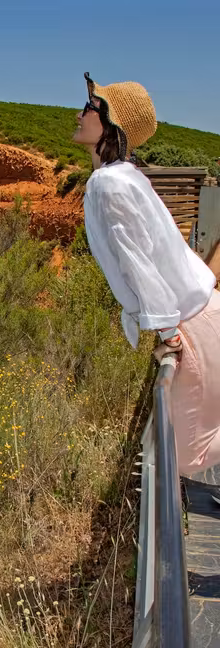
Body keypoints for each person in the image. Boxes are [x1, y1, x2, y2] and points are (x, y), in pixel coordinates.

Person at [73, 72, 220, 477]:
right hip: (202, 313)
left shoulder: (108, 184)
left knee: (186, 457)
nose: (79, 113)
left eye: (90, 107)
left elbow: (137, 261)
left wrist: (167, 332)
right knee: (185, 448)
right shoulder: (125, 176)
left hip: (191, 325)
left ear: (111, 124)